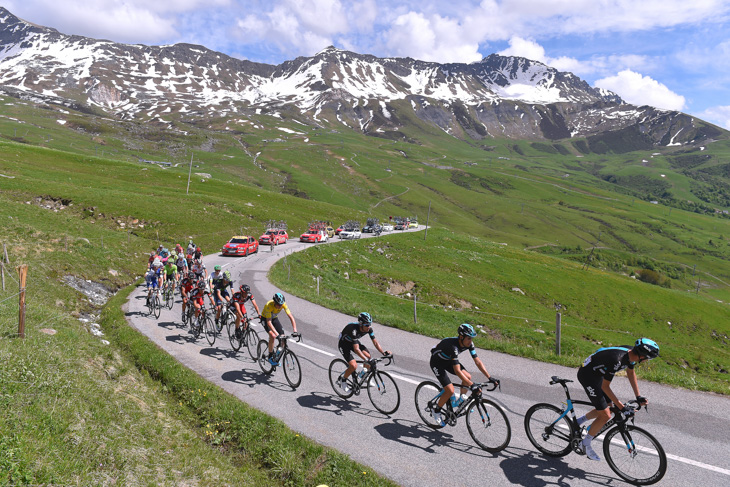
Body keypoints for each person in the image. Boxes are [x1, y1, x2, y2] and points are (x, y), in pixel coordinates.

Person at [576, 338, 659, 461]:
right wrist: (622, 407)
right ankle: (584, 443)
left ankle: (577, 422)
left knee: (609, 408)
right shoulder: (617, 360)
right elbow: (605, 387)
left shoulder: (631, 354)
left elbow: (631, 373)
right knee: (605, 415)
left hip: (598, 374)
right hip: (588, 376)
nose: (647, 361)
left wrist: (638, 396)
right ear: (642, 355)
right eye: (648, 358)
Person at [428, 323, 499, 426]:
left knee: (468, 377)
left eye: (472, 339)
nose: (471, 341)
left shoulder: (469, 344)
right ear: (461, 337)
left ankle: (461, 401)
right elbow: (457, 371)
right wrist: (471, 385)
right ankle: (436, 410)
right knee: (450, 390)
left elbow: (477, 362)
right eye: (469, 338)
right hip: (437, 363)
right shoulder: (453, 347)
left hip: (448, 360)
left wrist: (489, 377)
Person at [335, 312, 390, 393]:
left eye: (370, 324)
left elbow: (375, 342)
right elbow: (357, 350)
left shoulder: (369, 329)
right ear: (361, 324)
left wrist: (383, 353)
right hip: (344, 344)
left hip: (353, 342)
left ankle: (363, 375)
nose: (369, 327)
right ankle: (343, 380)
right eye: (367, 325)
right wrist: (365, 360)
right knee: (353, 366)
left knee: (368, 356)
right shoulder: (353, 330)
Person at [260, 292, 298, 366]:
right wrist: (277, 334)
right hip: (265, 319)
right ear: (274, 302)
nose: (280, 306)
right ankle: (270, 356)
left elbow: (291, 317)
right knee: (273, 336)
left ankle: (276, 356)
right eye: (278, 304)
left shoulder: (283, 304)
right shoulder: (269, 305)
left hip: (274, 318)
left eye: (281, 305)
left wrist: (295, 330)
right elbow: (269, 322)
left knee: (283, 338)